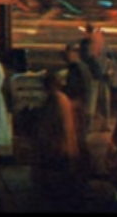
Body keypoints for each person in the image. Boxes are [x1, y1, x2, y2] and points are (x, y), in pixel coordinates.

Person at [35, 70, 81, 201]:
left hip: (59, 147)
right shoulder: (60, 99)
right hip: (60, 146)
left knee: (58, 182)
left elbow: (60, 126)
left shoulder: (56, 100)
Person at [62, 41, 95, 172]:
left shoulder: (76, 68)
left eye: (67, 53)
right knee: (79, 140)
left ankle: (84, 168)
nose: (64, 57)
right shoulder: (82, 67)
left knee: (78, 140)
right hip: (83, 108)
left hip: (79, 109)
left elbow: (76, 90)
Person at [82, 23, 117, 131]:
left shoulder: (87, 44)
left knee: (93, 102)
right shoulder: (102, 44)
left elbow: (88, 58)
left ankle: (91, 125)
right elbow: (110, 58)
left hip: (95, 76)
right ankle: (103, 124)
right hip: (100, 76)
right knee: (102, 101)